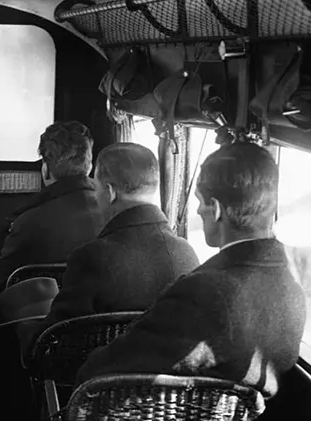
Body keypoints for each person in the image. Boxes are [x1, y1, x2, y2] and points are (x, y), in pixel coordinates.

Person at [74, 141, 307, 421]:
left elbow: (99, 376)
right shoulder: (290, 285)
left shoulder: (208, 292)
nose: (197, 212)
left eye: (199, 203)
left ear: (214, 209)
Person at [35, 142, 199, 335]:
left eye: (95, 188)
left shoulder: (92, 258)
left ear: (110, 192)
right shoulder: (188, 254)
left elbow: (55, 333)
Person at [0, 121, 104, 295]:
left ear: (45, 169)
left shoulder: (29, 222)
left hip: (42, 317)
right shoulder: (113, 214)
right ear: (89, 166)